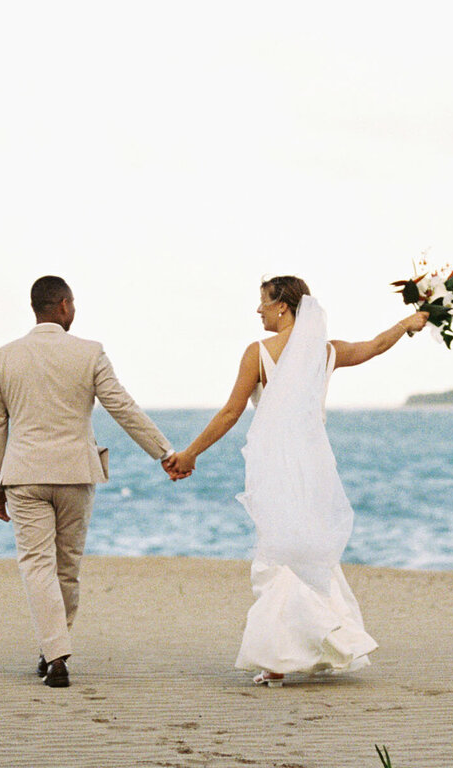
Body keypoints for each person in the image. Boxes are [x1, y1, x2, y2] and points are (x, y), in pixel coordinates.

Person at [164, 276, 428, 686]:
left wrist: (191, 453)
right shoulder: (324, 352)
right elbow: (374, 346)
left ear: (283, 306)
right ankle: (317, 644)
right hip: (314, 465)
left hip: (276, 466)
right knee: (307, 549)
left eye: (263, 303)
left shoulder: (259, 353)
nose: (259, 311)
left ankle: (278, 658)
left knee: (281, 555)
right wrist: (405, 324)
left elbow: (231, 412)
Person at [0, 275, 182, 688]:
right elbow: (121, 407)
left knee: (37, 565)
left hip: (23, 477)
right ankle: (53, 651)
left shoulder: (2, 357)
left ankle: (55, 653)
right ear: (64, 306)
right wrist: (163, 452)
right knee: (67, 568)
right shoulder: (89, 353)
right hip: (75, 474)